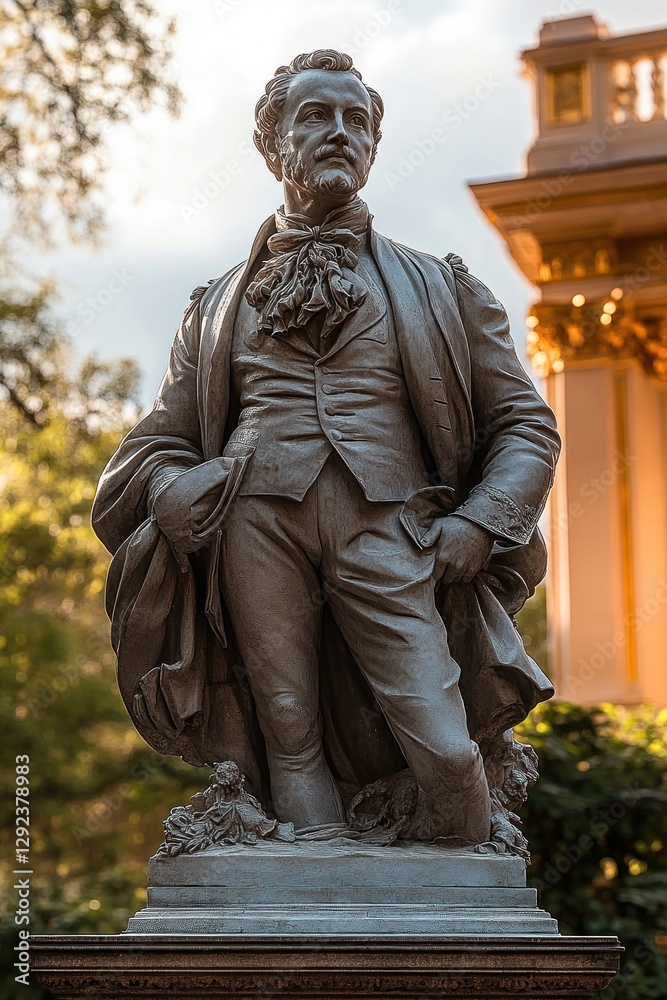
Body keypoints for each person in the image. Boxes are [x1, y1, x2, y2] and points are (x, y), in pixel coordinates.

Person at [93, 50, 560, 847]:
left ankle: (446, 915)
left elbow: (527, 424)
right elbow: (161, 441)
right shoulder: (211, 308)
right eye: (315, 116)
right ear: (271, 144)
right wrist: (168, 490)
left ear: (374, 148)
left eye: (357, 121)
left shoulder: (441, 287)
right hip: (252, 522)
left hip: (391, 527)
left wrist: (481, 522)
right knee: (287, 738)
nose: (339, 133)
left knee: (446, 755)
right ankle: (307, 900)